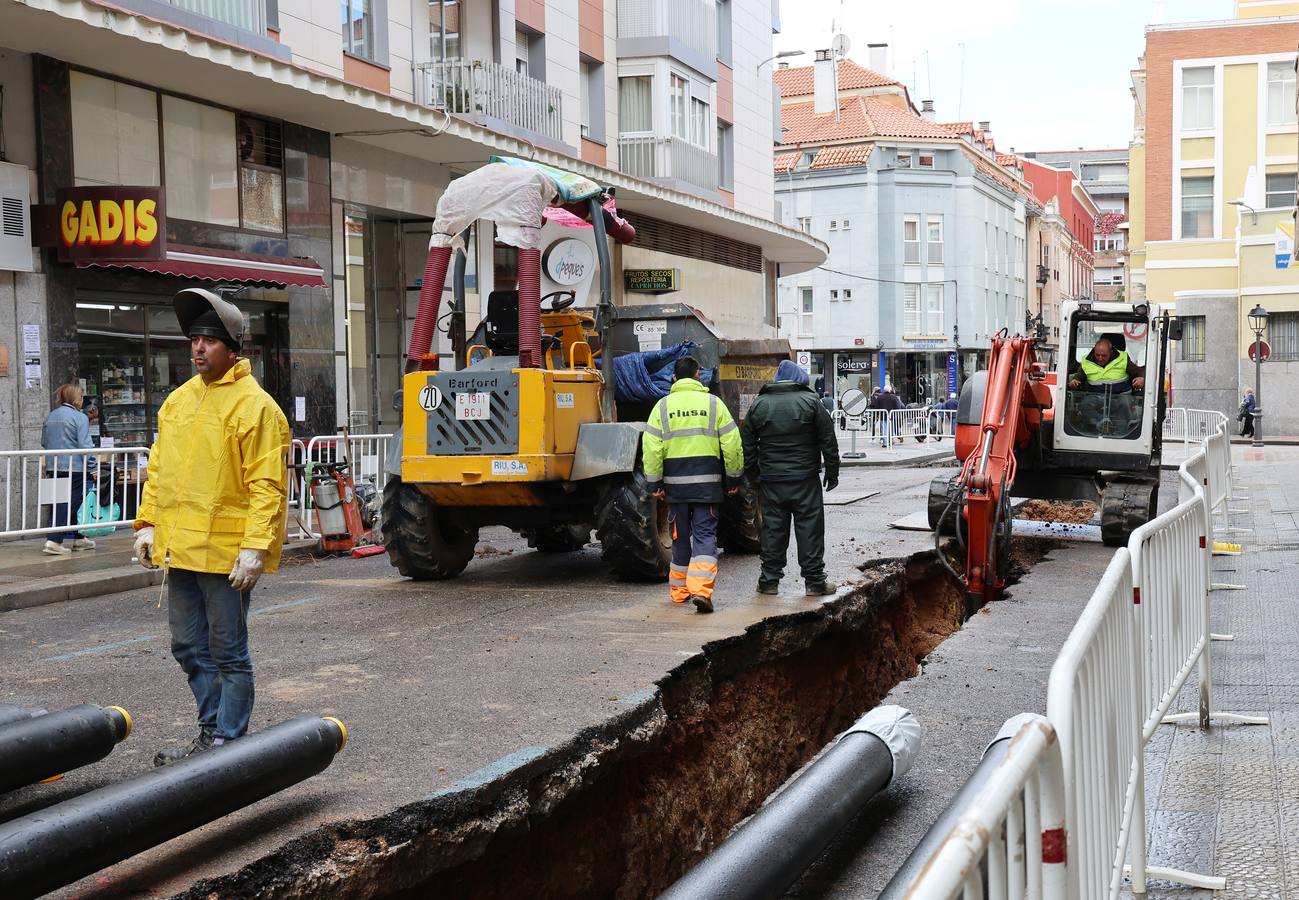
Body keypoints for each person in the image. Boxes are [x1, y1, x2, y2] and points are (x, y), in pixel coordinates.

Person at [133, 288, 290, 765]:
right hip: (181, 550)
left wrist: (255, 548)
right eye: (194, 339)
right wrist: (148, 524)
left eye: (209, 340)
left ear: (233, 348)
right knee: (186, 645)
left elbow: (267, 485)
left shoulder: (256, 408)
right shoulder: (178, 403)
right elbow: (159, 470)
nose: (199, 348)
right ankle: (212, 731)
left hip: (225, 555)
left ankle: (228, 740)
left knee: (228, 651)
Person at [642, 356, 744, 614]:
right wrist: (733, 478)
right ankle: (701, 591)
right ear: (698, 375)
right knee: (705, 536)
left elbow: (651, 449)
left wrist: (655, 483)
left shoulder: (661, 407)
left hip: (675, 489)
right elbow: (732, 444)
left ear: (674, 378)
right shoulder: (714, 404)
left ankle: (679, 592)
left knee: (679, 538)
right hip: (707, 488)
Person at [741, 360, 840, 597]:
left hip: (772, 481)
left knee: (773, 530)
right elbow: (828, 440)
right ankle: (815, 582)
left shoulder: (760, 404)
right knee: (810, 530)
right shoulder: (811, 402)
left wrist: (755, 476)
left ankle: (769, 581)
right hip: (805, 480)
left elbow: (746, 445)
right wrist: (832, 472)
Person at [40, 383, 97, 556]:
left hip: (54, 466)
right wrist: (93, 467)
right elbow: (84, 446)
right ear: (75, 399)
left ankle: (80, 537)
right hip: (75, 468)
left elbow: (44, 442)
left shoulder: (51, 416)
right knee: (72, 503)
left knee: (63, 502)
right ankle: (54, 540)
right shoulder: (80, 418)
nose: (82, 401)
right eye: (80, 397)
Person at [1067, 336, 1145, 392]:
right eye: (1097, 355)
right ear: (1094, 351)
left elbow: (1140, 371)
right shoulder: (1086, 361)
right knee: (1084, 407)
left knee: (1125, 407)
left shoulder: (1123, 358)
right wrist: (1074, 381)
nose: (1100, 358)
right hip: (1094, 397)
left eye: (1104, 355)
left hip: (1121, 397)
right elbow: (1079, 376)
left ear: (1111, 352)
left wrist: (1142, 378)